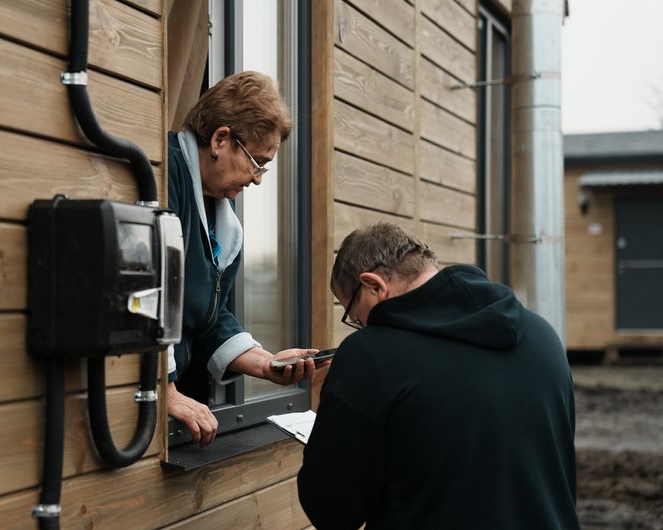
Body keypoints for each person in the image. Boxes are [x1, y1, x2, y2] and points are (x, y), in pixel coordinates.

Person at [297, 222, 579, 530]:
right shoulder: (543, 336)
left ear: (374, 285)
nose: (360, 325)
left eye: (353, 314)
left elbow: (333, 509)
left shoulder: (369, 355)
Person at [167, 71, 325, 448]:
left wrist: (267, 365)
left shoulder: (224, 223)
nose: (257, 180)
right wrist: (166, 391)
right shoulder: (164, 174)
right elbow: (145, 295)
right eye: (257, 162)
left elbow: (208, 316)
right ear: (221, 139)